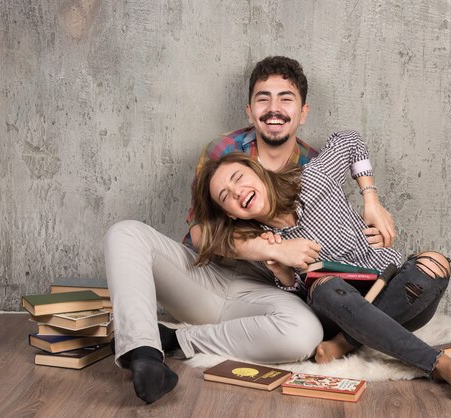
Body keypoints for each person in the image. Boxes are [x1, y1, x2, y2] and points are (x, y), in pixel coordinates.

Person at [104, 56, 390, 404]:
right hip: (205, 278)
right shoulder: (224, 153)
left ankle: (174, 341)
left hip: (271, 295)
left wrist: (369, 217)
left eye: (286, 98)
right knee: (125, 233)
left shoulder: (314, 166)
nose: (274, 108)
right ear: (249, 110)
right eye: (262, 98)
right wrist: (271, 249)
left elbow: (327, 250)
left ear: (303, 112)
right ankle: (144, 356)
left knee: (304, 334)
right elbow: (200, 234)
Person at [193, 129, 451, 399]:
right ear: (229, 213)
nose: (237, 192)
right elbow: (297, 300)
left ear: (256, 170)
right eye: (225, 196)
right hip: (338, 308)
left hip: (395, 293)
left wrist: (371, 198)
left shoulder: (314, 179)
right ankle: (438, 364)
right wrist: (282, 272)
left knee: (434, 262)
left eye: (238, 178)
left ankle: (343, 344)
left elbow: (350, 139)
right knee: (325, 286)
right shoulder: (264, 242)